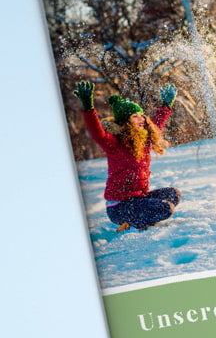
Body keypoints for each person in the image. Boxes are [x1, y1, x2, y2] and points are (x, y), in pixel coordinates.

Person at [74, 80, 181, 231]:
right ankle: (135, 224)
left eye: (141, 115)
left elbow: (157, 125)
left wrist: (166, 105)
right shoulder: (114, 143)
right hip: (119, 207)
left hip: (138, 199)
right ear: (126, 122)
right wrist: (88, 107)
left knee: (173, 194)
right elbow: (97, 134)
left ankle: (142, 218)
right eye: (135, 116)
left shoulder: (143, 139)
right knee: (166, 209)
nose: (141, 119)